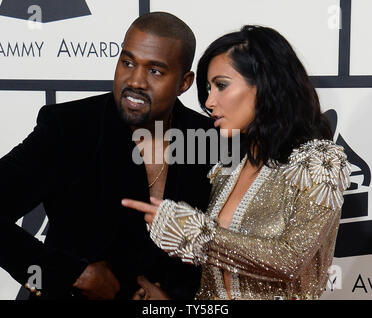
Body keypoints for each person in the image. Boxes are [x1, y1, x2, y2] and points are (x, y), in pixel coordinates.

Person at [122, 25, 352, 300]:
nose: (208, 101)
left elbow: (291, 260)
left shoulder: (320, 162)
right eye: (208, 88)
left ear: (265, 84)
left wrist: (200, 235)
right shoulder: (226, 168)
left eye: (221, 85)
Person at [0, 12, 216, 299]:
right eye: (127, 62)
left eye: (155, 71)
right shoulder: (69, 127)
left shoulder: (212, 140)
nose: (136, 81)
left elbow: (228, 249)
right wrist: (71, 275)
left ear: (184, 82)